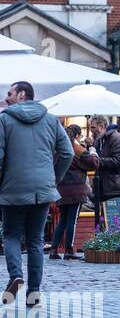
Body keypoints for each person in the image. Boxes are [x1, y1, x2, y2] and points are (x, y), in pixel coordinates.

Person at [0, 81, 73, 306]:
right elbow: (68, 153)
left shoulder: (4, 119)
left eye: (10, 93)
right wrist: (54, 178)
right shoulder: (51, 119)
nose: (6, 97)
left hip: (12, 187)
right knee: (36, 240)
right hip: (43, 188)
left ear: (22, 95)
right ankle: (34, 294)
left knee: (11, 235)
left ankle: (16, 276)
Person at [51, 124, 97, 262]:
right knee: (72, 220)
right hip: (76, 188)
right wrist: (93, 152)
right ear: (76, 136)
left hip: (61, 188)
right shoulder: (77, 148)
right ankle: (69, 250)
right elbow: (93, 163)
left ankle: (54, 249)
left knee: (63, 220)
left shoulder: (58, 149)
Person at [88, 114, 120, 227]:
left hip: (116, 188)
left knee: (115, 223)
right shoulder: (99, 140)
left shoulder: (117, 138)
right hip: (104, 187)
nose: (91, 130)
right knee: (103, 223)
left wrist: (98, 159)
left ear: (101, 126)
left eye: (92, 127)